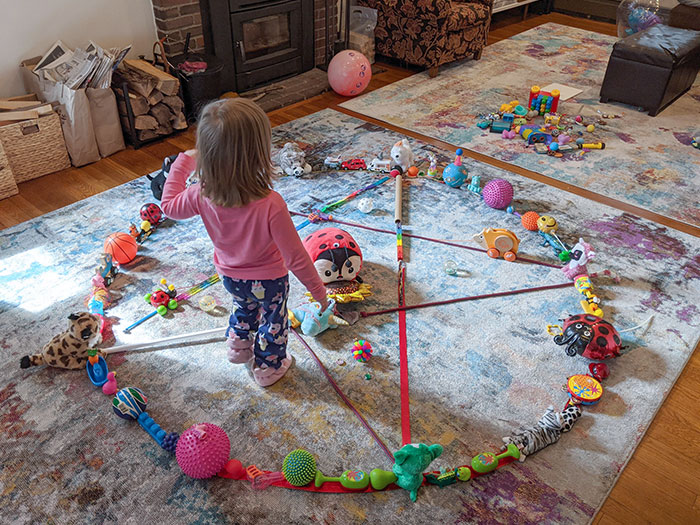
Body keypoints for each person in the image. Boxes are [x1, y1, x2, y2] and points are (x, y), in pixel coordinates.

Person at [161, 98, 328, 386]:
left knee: (244, 307)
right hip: (270, 281)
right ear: (259, 153)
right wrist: (319, 292)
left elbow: (168, 206)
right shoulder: (271, 204)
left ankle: (239, 346)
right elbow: (296, 257)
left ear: (205, 153)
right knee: (274, 323)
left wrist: (184, 161)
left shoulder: (200, 193)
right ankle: (268, 369)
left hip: (230, 277)